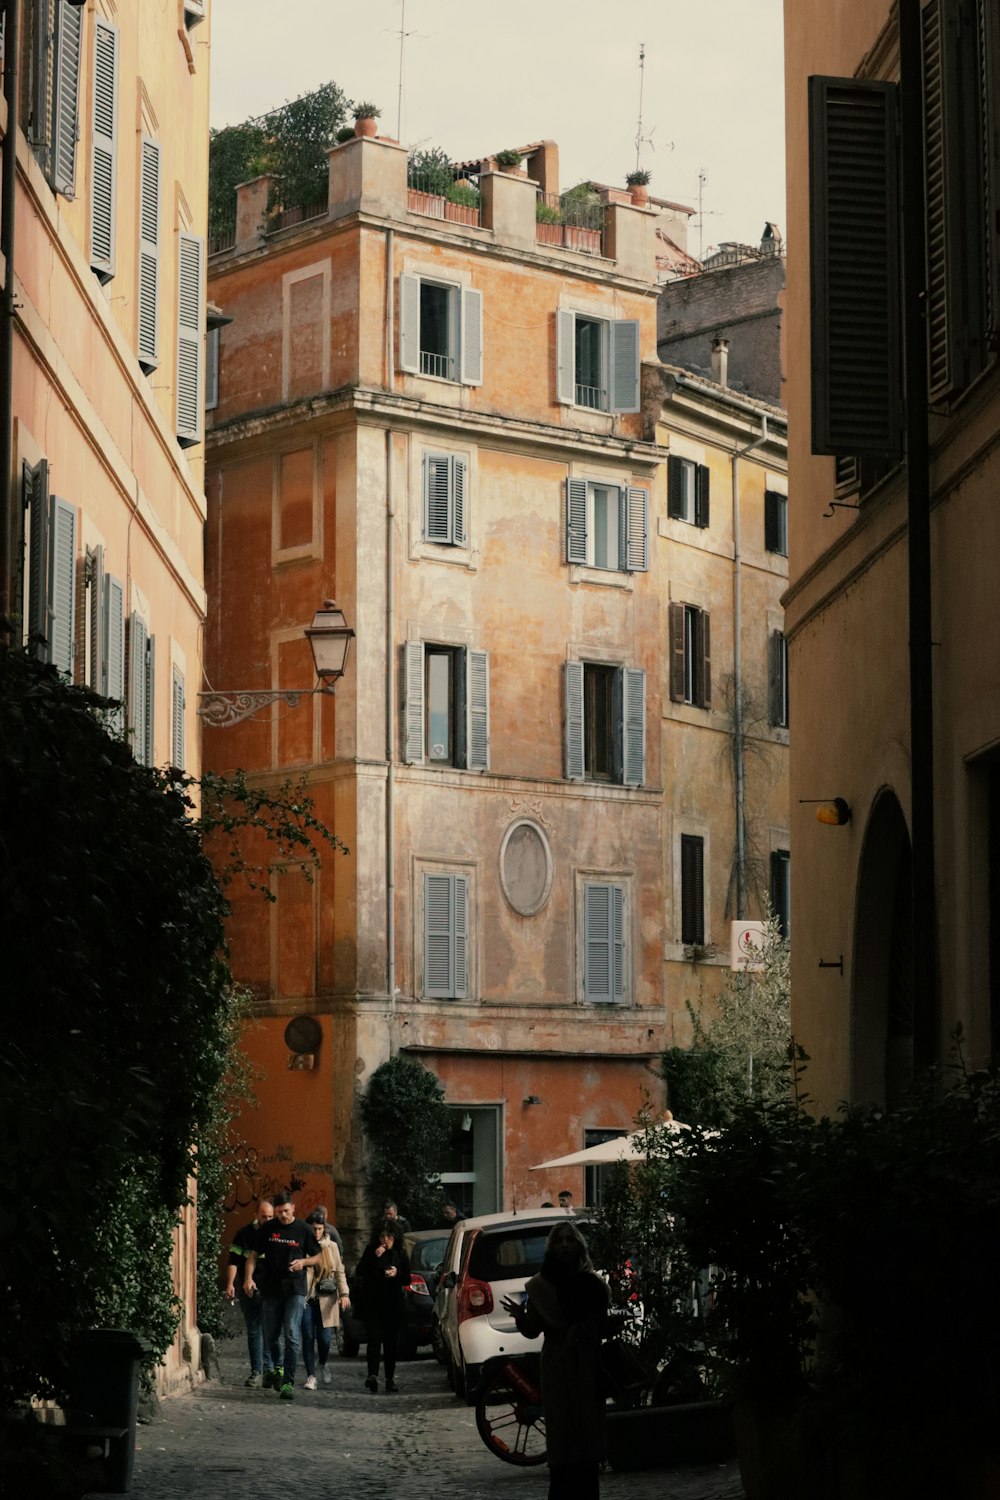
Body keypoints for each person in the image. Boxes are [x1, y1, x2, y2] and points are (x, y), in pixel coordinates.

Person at [502, 1220, 609, 1500]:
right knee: (562, 1436)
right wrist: (521, 1316)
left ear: (579, 1245)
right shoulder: (540, 1285)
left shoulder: (593, 1283)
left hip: (586, 1364)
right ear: (552, 1246)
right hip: (558, 1367)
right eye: (560, 1240)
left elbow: (602, 1323)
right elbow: (533, 1329)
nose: (565, 1245)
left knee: (587, 1434)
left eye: (570, 1240)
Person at [243, 1192, 324, 1400]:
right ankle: (278, 1367)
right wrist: (248, 1278)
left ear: (293, 1208)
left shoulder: (303, 1230)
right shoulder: (268, 1229)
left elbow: (318, 1256)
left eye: (286, 1211)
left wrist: (303, 1263)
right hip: (271, 1289)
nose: (283, 1215)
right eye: (279, 1212)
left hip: (295, 1289)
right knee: (270, 1336)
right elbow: (253, 1255)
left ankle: (288, 1382)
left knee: (291, 1334)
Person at [354, 1220, 412, 1394]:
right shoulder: (371, 1250)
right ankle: (372, 1375)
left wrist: (396, 1274)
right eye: (382, 1236)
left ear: (395, 1237)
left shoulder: (400, 1253)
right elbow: (360, 1270)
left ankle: (389, 1378)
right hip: (373, 1302)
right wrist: (374, 1257)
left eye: (388, 1236)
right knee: (374, 1339)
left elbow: (407, 1278)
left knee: (390, 1343)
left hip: (393, 1303)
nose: (385, 1240)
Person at [224, 1197, 274, 1388]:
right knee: (254, 1331)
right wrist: (230, 1283)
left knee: (270, 1331)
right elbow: (234, 1261)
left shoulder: (278, 1233)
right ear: (256, 1215)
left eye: (270, 1216)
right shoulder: (244, 1234)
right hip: (249, 1289)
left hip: (271, 1290)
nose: (267, 1220)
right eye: (264, 1216)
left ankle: (269, 1369)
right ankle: (257, 1371)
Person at [300, 1211, 350, 1389]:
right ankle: (310, 1375)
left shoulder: (332, 1247)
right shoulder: (301, 1244)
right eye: (313, 1228)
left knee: (325, 1339)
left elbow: (339, 1271)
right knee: (307, 1336)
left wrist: (344, 1294)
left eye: (320, 1228)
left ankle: (322, 1362)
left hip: (326, 1297)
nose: (317, 1232)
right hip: (306, 1297)